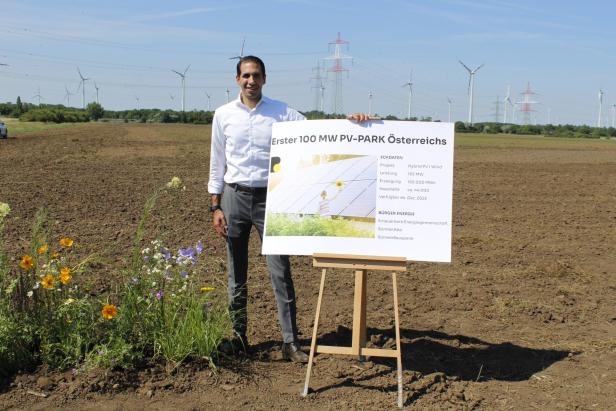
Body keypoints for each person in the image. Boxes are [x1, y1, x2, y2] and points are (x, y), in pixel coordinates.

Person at [207, 55, 370, 362]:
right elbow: (217, 163)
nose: (251, 81)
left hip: (272, 199)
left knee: (280, 271)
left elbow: (318, 133)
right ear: (237, 79)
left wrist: (352, 124)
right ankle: (239, 338)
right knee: (235, 273)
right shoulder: (223, 115)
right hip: (234, 198)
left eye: (256, 75)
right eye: (245, 75)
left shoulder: (281, 113)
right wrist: (215, 205)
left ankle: (289, 341)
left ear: (264, 79)